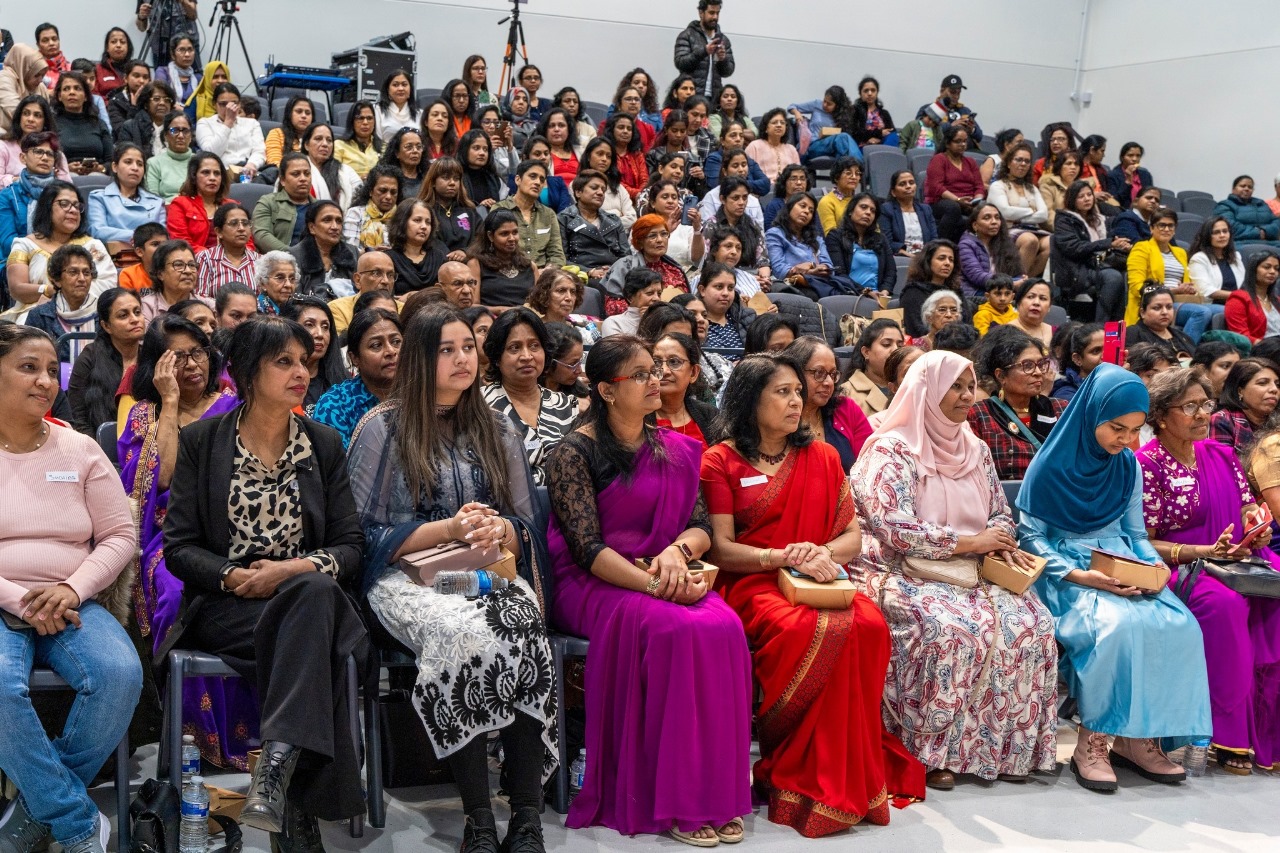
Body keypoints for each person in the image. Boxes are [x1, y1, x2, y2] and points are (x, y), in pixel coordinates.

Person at [347, 306, 555, 853]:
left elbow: (526, 525)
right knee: (461, 630)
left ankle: (526, 816)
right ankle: (478, 819)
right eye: (447, 350)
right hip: (409, 580)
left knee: (523, 623)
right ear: (421, 357)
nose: (463, 359)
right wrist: (449, 528)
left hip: (482, 571)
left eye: (468, 347)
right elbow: (360, 537)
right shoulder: (381, 427)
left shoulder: (497, 426)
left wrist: (498, 529)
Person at [160, 315, 369, 846]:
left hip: (308, 598)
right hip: (230, 607)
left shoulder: (322, 443)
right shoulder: (203, 441)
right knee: (315, 634)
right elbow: (179, 547)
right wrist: (231, 575)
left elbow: (350, 546)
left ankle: (276, 771)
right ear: (248, 373)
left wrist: (291, 569)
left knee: (313, 595)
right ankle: (293, 805)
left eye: (304, 362)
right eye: (284, 362)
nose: (301, 372)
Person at [700, 353, 925, 836]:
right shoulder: (720, 460)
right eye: (782, 392)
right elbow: (720, 548)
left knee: (868, 624)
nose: (795, 402)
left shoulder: (822, 456)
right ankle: (792, 771)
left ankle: (847, 771)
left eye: (797, 393)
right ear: (750, 399)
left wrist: (817, 553)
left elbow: (852, 538)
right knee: (807, 629)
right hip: (753, 581)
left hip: (817, 577)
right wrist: (781, 557)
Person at [853, 350, 1058, 788]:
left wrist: (999, 541)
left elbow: (1000, 511)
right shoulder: (890, 450)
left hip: (970, 569)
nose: (968, 396)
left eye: (971, 386)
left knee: (1033, 622)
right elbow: (894, 527)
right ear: (926, 391)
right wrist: (970, 542)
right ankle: (931, 753)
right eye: (956, 387)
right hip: (899, 568)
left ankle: (999, 749)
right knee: (950, 628)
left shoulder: (975, 448)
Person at [1017, 364, 1211, 791]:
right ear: (1091, 416)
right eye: (1117, 428)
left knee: (1180, 625)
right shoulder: (1050, 465)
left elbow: (1136, 535)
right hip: (1064, 571)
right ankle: (1093, 741)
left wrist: (1154, 566)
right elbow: (1031, 538)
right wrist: (1080, 575)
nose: (1126, 440)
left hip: (1119, 564)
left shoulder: (1127, 466)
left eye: (1136, 430)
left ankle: (1139, 739)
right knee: (1117, 627)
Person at [0, 323, 139, 853]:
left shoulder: (79, 448)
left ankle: (35, 811)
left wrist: (73, 589)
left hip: (72, 600)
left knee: (120, 674)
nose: (45, 381)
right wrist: (20, 601)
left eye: (49, 369)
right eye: (27, 368)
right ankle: (77, 823)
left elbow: (120, 535)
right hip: (2, 599)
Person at [1138, 368, 1280, 775]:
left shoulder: (1221, 454)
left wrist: (1256, 527)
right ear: (1161, 416)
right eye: (1190, 406)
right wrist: (1202, 551)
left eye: (1205, 404)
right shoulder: (1147, 465)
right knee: (1227, 605)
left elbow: (1246, 508)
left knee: (1273, 593)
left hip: (1236, 558)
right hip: (1183, 567)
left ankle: (1269, 732)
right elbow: (1143, 541)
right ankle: (1228, 734)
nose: (1202, 414)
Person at [479, 307, 577, 485]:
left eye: (534, 346)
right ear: (497, 357)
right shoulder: (480, 405)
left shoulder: (565, 405)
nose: (526, 356)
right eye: (514, 348)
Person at [6, 181, 116, 321]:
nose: (73, 210)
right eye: (64, 204)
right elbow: (17, 289)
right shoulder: (25, 244)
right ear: (47, 207)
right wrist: (47, 290)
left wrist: (64, 296)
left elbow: (107, 285)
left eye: (77, 205)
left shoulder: (93, 246)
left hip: (88, 310)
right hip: (36, 312)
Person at [967, 326, 1066, 480]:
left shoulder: (1061, 409)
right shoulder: (979, 415)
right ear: (1001, 376)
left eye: (1041, 364)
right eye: (1027, 366)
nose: (1038, 372)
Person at [310, 307, 401, 448]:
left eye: (396, 342)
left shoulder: (421, 394)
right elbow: (337, 461)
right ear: (354, 358)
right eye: (376, 345)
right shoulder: (336, 405)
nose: (391, 351)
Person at [785, 335, 873, 469]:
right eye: (819, 373)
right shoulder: (780, 415)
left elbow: (870, 463)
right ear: (795, 373)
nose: (829, 382)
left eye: (832, 374)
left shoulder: (846, 408)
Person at [1127, 207, 1217, 339]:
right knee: (1201, 312)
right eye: (1162, 225)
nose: (1166, 229)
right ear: (1151, 228)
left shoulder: (1180, 252)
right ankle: (1184, 347)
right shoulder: (1141, 248)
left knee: (1224, 311)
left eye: (1171, 226)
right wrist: (1173, 290)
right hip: (1156, 303)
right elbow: (1137, 287)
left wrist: (1189, 288)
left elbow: (1186, 281)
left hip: (1180, 300)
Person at [1052, 179, 1131, 322]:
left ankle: (1117, 328)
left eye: (1089, 195)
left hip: (1101, 264)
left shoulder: (1099, 218)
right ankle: (1101, 326)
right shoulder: (1064, 220)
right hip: (1077, 269)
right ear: (1072, 200)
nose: (1087, 199)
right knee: (1113, 277)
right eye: (1081, 196)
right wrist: (1108, 244)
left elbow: (1119, 221)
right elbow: (1074, 248)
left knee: (1127, 274)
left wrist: (1122, 245)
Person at [67, 287, 143, 434]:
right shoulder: (90, 357)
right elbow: (77, 417)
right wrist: (95, 446)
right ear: (106, 326)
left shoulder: (150, 357)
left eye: (137, 312)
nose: (134, 319)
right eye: (123, 315)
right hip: (96, 442)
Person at [0, 132, 66, 277]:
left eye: (50, 154)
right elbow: (7, 242)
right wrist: (44, 250)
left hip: (62, 259)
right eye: (38, 152)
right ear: (23, 157)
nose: (45, 157)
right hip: (19, 261)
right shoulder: (8, 196)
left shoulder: (64, 193)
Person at [24, 243, 100, 362]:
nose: (82, 278)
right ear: (57, 279)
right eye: (73, 272)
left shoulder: (104, 314)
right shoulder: (39, 316)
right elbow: (30, 359)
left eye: (86, 273)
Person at [83, 143, 161, 248]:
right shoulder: (99, 198)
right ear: (115, 167)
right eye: (128, 162)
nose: (135, 168)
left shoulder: (156, 202)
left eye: (140, 164)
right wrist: (139, 236)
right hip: (111, 255)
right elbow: (97, 231)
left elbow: (162, 237)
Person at [988, 142, 1049, 275]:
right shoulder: (998, 186)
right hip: (1006, 230)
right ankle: (1017, 281)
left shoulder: (1032, 188)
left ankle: (1027, 281)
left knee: (1052, 243)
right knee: (1030, 240)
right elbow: (1005, 212)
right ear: (1009, 163)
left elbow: (1044, 215)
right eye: (1019, 160)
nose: (1023, 164)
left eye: (1027, 161)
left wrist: (1019, 218)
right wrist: (1031, 211)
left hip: (1032, 228)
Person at [766, 191, 840, 298]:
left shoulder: (816, 238)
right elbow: (779, 270)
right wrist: (810, 271)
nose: (806, 212)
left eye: (811, 211)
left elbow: (829, 267)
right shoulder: (775, 234)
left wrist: (811, 266)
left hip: (818, 284)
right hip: (792, 287)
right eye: (802, 206)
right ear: (789, 207)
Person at [559, 169, 628, 280]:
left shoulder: (614, 220)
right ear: (578, 192)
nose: (600, 193)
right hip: (580, 276)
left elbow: (626, 256)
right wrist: (589, 272)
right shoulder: (564, 219)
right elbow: (560, 258)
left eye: (603, 190)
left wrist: (615, 270)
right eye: (594, 188)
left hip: (614, 274)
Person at [826, 191, 896, 295]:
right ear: (851, 211)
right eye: (863, 207)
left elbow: (891, 272)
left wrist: (884, 291)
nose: (868, 212)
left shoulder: (881, 239)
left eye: (873, 211)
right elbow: (839, 273)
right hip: (849, 294)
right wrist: (865, 291)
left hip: (878, 296)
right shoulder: (835, 236)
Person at [925, 125, 985, 244]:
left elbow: (979, 186)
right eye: (958, 141)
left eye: (965, 141)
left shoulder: (970, 162)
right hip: (941, 202)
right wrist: (958, 200)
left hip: (968, 203)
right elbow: (937, 187)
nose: (963, 144)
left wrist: (977, 200)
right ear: (948, 143)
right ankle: (940, 244)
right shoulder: (939, 159)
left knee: (986, 208)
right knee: (953, 208)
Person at [468, 208, 537, 309]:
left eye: (515, 232)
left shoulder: (530, 266)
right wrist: (499, 310)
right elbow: (472, 306)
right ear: (490, 236)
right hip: (491, 317)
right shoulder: (476, 265)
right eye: (504, 234)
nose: (512, 238)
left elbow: (540, 304)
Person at [194, 82, 264, 181]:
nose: (229, 108)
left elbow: (259, 151)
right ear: (214, 104)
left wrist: (251, 165)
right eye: (223, 104)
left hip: (250, 171)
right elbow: (210, 154)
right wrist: (228, 123)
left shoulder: (252, 123)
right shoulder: (205, 123)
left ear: (240, 104)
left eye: (234, 103)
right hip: (221, 173)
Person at [1210, 357, 1280, 452]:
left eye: (1278, 385)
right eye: (1262, 383)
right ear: (1240, 391)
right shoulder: (1222, 421)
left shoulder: (1277, 420)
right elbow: (1221, 461)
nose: (1274, 389)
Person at [289, 200, 356, 299]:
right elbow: (293, 298)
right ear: (312, 227)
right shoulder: (294, 256)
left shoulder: (353, 253)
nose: (335, 227)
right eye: (327, 220)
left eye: (339, 221)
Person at [899, 239, 961, 339]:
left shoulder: (956, 291)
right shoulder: (912, 293)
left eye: (951, 260)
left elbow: (967, 324)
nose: (947, 263)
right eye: (941, 258)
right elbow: (917, 331)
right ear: (928, 261)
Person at [0, 97, 69, 188]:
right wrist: (23, 180)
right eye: (26, 114)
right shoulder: (3, 147)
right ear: (19, 117)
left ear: (45, 122)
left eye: (37, 115)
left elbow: (67, 187)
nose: (30, 119)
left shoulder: (55, 153)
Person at [957, 203, 1022, 298]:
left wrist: (1021, 280)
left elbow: (1015, 271)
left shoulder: (1003, 242)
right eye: (987, 218)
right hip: (976, 292)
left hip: (1001, 288)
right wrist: (1010, 283)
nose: (994, 222)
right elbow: (977, 276)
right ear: (975, 225)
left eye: (997, 218)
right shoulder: (966, 245)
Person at [841, 318, 903, 417]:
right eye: (886, 344)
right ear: (866, 352)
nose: (896, 350)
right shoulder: (846, 393)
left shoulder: (909, 386)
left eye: (900, 346)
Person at [49, 72, 110, 174]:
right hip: (64, 176)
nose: (72, 92)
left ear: (86, 96)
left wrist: (100, 168)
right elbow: (46, 160)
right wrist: (65, 169)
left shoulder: (99, 124)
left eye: (77, 88)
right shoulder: (51, 124)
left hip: (97, 176)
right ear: (59, 96)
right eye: (66, 89)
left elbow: (111, 161)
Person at [251, 152, 311, 253]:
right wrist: (291, 254)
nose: (303, 178)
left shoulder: (320, 207)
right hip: (278, 260)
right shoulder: (268, 202)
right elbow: (261, 235)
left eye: (307, 173)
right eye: (296, 174)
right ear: (282, 180)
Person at [195, 202, 258, 297]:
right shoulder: (205, 258)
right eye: (234, 223)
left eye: (245, 223)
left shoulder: (259, 261)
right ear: (219, 232)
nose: (241, 228)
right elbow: (200, 297)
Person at [673, 0, 734, 98]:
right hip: (692, 97)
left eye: (717, 13)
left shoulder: (723, 39)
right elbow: (680, 63)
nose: (715, 17)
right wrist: (704, 51)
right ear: (701, 13)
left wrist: (723, 59)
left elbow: (728, 71)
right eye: (711, 13)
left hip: (714, 98)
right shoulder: (687, 35)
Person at [140, 238, 208, 321]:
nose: (188, 271)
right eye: (178, 265)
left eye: (191, 265)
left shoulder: (208, 306)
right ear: (160, 274)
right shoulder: (146, 307)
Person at [527, 265, 600, 341]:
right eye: (561, 291)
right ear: (544, 294)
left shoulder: (583, 331)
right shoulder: (533, 331)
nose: (569, 298)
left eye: (573, 292)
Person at [1224, 249, 1280, 343]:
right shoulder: (1238, 299)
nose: (1272, 272)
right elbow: (1241, 337)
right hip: (1261, 347)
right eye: (1267, 267)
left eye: (1277, 269)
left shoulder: (1277, 300)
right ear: (1253, 270)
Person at [343, 164, 401, 254]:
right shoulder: (356, 213)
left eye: (393, 192)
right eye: (383, 190)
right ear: (370, 191)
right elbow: (350, 252)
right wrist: (371, 252)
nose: (388, 197)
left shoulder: (402, 217)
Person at [1188, 216, 1245, 305]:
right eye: (1216, 232)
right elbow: (1205, 291)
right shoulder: (1199, 259)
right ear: (1207, 236)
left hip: (1237, 303)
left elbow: (1244, 284)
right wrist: (1237, 295)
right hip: (1213, 305)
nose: (1222, 235)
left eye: (1225, 231)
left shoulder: (1236, 256)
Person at [1127, 286, 1196, 358]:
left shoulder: (1183, 336)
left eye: (1169, 307)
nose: (1165, 312)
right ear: (1142, 312)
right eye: (1157, 308)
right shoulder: (1133, 334)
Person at [880, 170, 937, 256]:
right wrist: (908, 255)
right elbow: (887, 242)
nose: (908, 186)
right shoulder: (887, 209)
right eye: (902, 184)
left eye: (911, 183)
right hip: (900, 257)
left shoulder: (926, 209)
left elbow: (934, 239)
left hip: (924, 257)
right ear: (893, 192)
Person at [142, 111, 194, 201]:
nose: (181, 136)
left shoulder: (201, 162)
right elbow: (153, 200)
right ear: (166, 135)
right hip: (166, 208)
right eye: (175, 130)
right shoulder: (154, 163)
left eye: (185, 131)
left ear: (191, 136)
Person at [116, 80, 173, 160]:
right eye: (156, 99)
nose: (162, 103)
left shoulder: (175, 128)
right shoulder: (130, 127)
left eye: (167, 100)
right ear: (146, 104)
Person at [1214, 175, 1280, 243]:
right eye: (1242, 186)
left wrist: (1265, 231)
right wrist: (1258, 233)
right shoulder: (1224, 205)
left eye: (1250, 187)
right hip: (1242, 243)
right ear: (1233, 189)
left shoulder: (1261, 204)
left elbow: (1276, 222)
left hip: (1270, 242)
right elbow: (1229, 227)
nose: (1246, 189)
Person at [601, 268, 662, 338]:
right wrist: (646, 324)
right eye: (649, 293)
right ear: (630, 297)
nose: (657, 298)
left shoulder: (664, 322)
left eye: (659, 294)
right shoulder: (614, 323)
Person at [746, 108, 801, 184]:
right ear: (766, 128)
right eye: (774, 122)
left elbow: (798, 173)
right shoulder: (754, 146)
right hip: (763, 188)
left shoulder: (791, 149)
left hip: (788, 188)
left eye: (782, 123)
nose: (779, 125)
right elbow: (748, 174)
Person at [1052, 321, 1104, 402]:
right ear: (1077, 359)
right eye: (1096, 351)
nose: (1104, 356)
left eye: (1108, 349)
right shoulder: (1065, 394)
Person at [456, 128, 504, 209]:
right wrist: (479, 208)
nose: (482, 153)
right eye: (476, 148)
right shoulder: (456, 177)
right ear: (465, 150)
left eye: (485, 149)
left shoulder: (494, 177)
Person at [814, 157, 861, 235]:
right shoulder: (827, 202)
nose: (854, 177)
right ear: (836, 177)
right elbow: (831, 236)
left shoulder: (861, 201)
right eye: (848, 173)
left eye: (857, 173)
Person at [263, 94, 312, 168]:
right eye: (299, 111)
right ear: (289, 114)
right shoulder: (277, 134)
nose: (304, 116)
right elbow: (274, 163)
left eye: (308, 113)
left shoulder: (316, 138)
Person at [1038, 150, 1082, 230]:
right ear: (1059, 166)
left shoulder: (1083, 187)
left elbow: (1092, 214)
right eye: (1068, 163)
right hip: (1059, 230)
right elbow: (1048, 214)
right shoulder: (1048, 186)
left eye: (1076, 164)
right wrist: (1067, 228)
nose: (1073, 167)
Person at [1104, 142, 1154, 210]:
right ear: (1122, 157)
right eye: (1130, 155)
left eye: (1138, 156)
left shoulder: (1146, 175)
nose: (1134, 159)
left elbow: (1151, 196)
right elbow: (1113, 201)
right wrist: (1127, 182)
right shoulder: (1112, 176)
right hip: (1122, 211)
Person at [849, 75, 895, 147]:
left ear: (877, 92)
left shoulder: (884, 113)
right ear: (860, 93)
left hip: (882, 145)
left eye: (873, 90)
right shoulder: (853, 111)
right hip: (861, 147)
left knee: (894, 136)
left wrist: (879, 139)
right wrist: (878, 134)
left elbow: (891, 131)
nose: (870, 93)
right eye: (866, 91)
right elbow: (854, 133)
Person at [1008, 277, 1054, 347]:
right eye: (1030, 297)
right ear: (1018, 302)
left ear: (1049, 307)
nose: (1036, 302)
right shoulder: (1003, 333)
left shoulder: (1056, 333)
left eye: (1043, 298)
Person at [373, 70, 417, 143]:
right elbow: (376, 141)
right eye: (395, 85)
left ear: (410, 89)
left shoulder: (419, 113)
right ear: (388, 90)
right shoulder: (377, 110)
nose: (401, 88)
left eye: (404, 85)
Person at [252, 250, 298, 315]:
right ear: (263, 283)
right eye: (280, 278)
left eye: (292, 278)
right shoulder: (255, 312)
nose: (288, 285)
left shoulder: (297, 311)